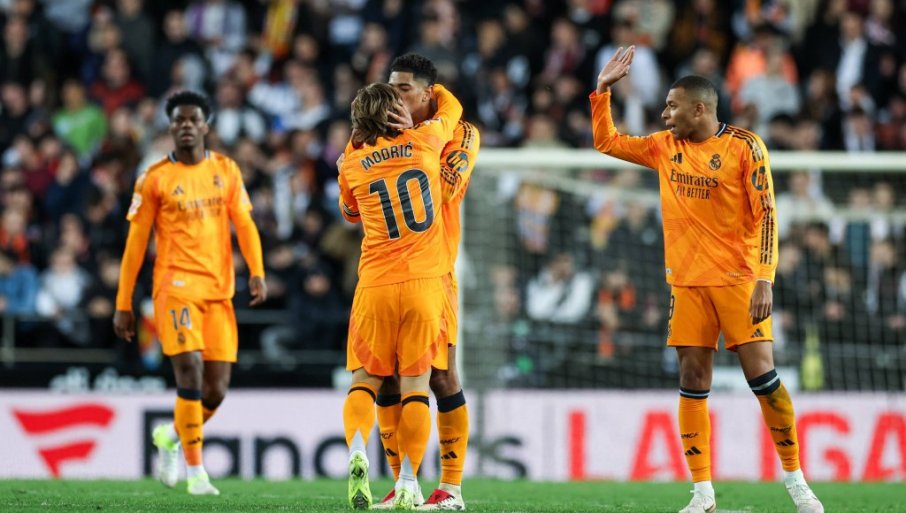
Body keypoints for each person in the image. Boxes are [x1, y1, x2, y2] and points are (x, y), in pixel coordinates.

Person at [590, 47, 824, 513]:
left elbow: (767, 215)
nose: (664, 114)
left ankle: (796, 480)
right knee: (692, 380)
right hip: (687, 284)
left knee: (764, 378)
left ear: (699, 109)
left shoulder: (745, 147)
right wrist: (601, 92)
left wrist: (765, 278)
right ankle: (702, 493)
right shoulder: (663, 146)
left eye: (671, 106)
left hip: (739, 281)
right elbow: (607, 143)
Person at [113, 90, 267, 496]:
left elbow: (245, 224)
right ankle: (196, 473)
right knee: (190, 369)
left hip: (218, 292)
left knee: (216, 389)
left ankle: (171, 436)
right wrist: (123, 302)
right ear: (170, 126)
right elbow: (134, 245)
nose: (185, 126)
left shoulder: (226, 170)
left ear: (206, 125)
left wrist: (257, 270)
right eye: (178, 120)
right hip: (175, 288)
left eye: (193, 120)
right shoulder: (155, 178)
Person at [338, 81, 462, 510]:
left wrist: (353, 145)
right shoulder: (426, 140)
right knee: (416, 389)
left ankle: (358, 450)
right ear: (397, 112)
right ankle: (409, 481)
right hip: (424, 286)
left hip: (375, 284)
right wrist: (432, 89)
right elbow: (452, 109)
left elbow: (350, 212)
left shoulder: (352, 163)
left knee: (364, 381)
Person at [370, 53, 479, 511]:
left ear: (429, 94)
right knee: (385, 379)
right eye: (390, 89)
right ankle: (404, 485)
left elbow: (445, 188)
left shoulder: (462, 133)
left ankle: (451, 489)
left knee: (441, 375)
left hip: (435, 274)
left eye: (404, 90)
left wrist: (418, 138)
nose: (394, 99)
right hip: (386, 275)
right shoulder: (384, 135)